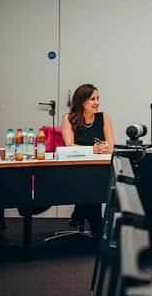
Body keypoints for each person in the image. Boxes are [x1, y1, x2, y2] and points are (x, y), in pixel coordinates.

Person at [61, 83, 114, 237]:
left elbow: (111, 144)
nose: (97, 102)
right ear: (82, 101)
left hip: (99, 168)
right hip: (75, 168)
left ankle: (79, 214)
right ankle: (97, 229)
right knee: (91, 183)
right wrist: (92, 150)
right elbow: (69, 146)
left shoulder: (103, 117)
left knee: (93, 179)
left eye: (98, 98)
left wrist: (106, 148)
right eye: (92, 99)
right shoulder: (69, 118)